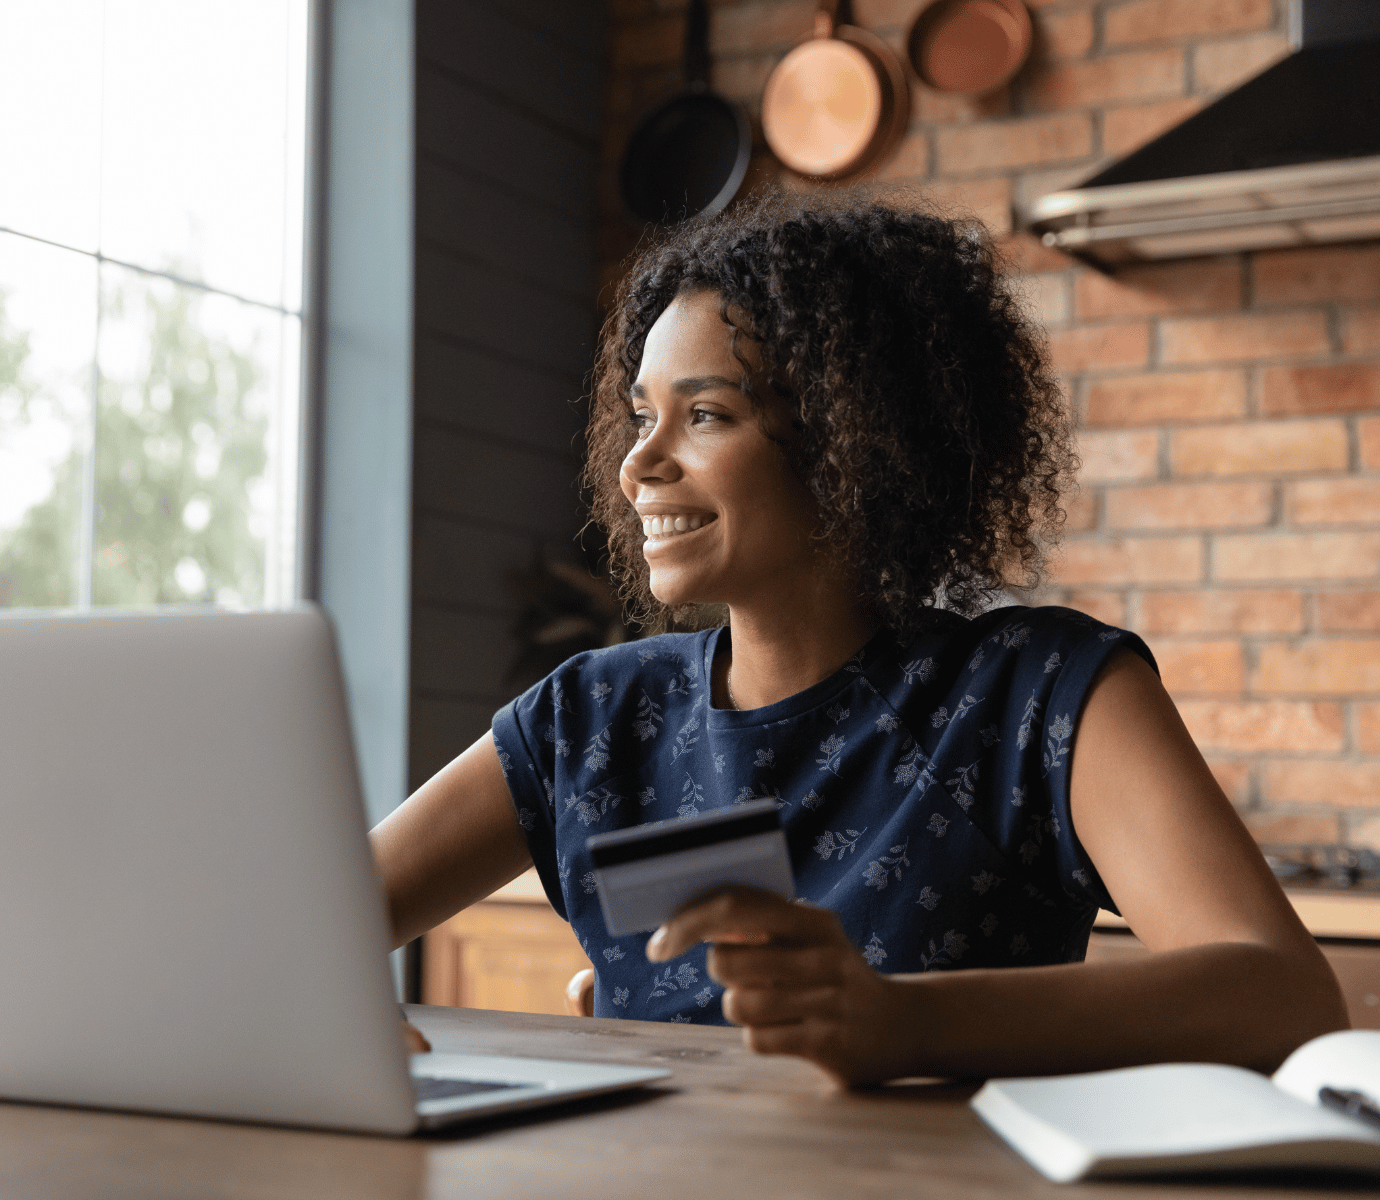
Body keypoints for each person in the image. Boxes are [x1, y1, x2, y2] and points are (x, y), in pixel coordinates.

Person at [372, 191, 1346, 1086]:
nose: (639, 464)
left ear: (852, 440)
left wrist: (898, 1023)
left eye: (705, 413)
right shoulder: (588, 718)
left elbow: (1284, 999)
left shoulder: (1045, 693)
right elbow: (315, 922)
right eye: (641, 416)